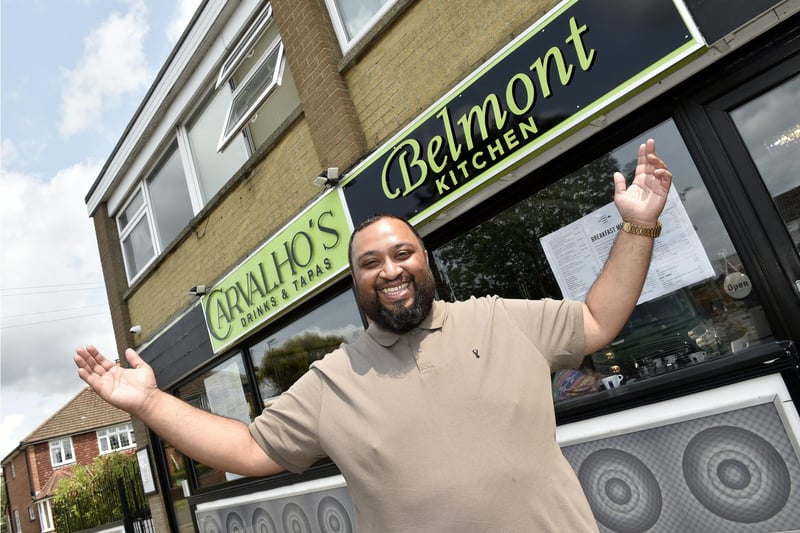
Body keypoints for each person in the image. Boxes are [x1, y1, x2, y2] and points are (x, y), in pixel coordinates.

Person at [75, 139, 672, 531]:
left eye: (402, 252)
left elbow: (597, 320)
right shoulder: (334, 380)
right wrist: (150, 401)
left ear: (426, 262)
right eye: (370, 263)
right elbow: (249, 449)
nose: (389, 269)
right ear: (356, 283)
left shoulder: (499, 318)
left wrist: (639, 228)